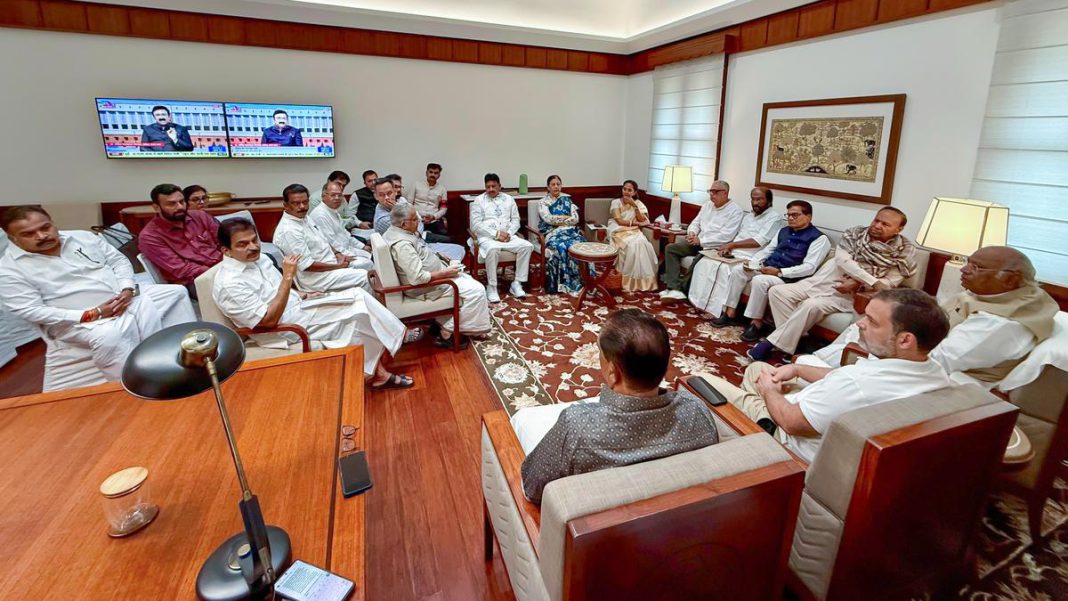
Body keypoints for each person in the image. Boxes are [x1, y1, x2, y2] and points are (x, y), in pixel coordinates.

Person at [703, 288, 952, 463]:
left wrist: (770, 391)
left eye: (872, 321)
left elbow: (791, 422)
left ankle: (753, 432)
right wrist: (797, 369)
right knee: (758, 369)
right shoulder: (933, 371)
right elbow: (840, 375)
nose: (860, 324)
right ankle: (744, 426)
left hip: (787, 437)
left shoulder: (856, 385)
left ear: (905, 340)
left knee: (701, 381)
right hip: (819, 415)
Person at [518, 309, 720, 503]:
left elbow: (532, 488)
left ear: (613, 372)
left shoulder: (577, 426)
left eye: (600, 353)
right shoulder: (696, 411)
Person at [804, 246, 1059, 390]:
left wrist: (887, 340)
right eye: (968, 262)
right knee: (864, 325)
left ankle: (819, 376)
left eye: (976, 267)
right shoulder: (997, 295)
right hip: (922, 353)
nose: (964, 269)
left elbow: (939, 360)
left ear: (1011, 279)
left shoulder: (1000, 323)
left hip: (943, 382)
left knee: (868, 330)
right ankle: (817, 368)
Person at [0, 205, 196, 383]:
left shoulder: (82, 237)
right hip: (77, 320)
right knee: (109, 335)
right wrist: (91, 314)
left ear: (52, 223)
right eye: (29, 234)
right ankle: (132, 382)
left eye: (45, 227)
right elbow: (31, 310)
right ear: (12, 238)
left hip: (123, 298)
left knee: (175, 293)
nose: (42, 236)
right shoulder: (9, 270)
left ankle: (185, 352)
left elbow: (118, 261)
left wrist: (127, 288)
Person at [212, 218, 412, 389]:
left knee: (358, 295)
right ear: (226, 250)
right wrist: (288, 277)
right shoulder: (229, 284)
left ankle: (382, 361)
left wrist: (303, 294)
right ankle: (387, 354)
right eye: (242, 244)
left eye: (254, 240)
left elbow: (277, 291)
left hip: (297, 307)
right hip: (282, 329)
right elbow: (268, 321)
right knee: (357, 314)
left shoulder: (260, 259)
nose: (253, 247)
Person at [748, 207, 916, 361]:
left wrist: (858, 285)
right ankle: (800, 341)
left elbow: (887, 285)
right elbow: (843, 261)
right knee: (777, 292)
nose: (877, 225)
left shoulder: (905, 251)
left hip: (851, 296)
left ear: (899, 229)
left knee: (810, 305)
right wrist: (864, 280)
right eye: (876, 220)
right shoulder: (855, 234)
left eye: (885, 224)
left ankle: (772, 344)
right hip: (825, 280)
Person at [703, 200, 830, 342]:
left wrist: (780, 272)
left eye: (795, 215)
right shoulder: (783, 231)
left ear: (809, 217)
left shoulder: (819, 239)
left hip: (788, 278)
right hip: (768, 268)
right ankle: (730, 313)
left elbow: (809, 267)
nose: (790, 218)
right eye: (788, 215)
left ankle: (756, 323)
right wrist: (752, 263)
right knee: (739, 270)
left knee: (760, 281)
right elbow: (768, 250)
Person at [383, 203, 491, 348]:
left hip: (435, 278)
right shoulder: (402, 245)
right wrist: (445, 273)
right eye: (415, 219)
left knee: (468, 279)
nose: (419, 221)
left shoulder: (396, 232)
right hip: (426, 287)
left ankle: (444, 321)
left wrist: (439, 256)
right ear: (403, 224)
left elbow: (420, 253)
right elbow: (418, 278)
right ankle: (447, 331)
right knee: (477, 291)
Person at [687, 186, 785, 317]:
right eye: (753, 199)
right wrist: (727, 248)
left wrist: (731, 245)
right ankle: (699, 303)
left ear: (769, 201)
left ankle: (719, 311)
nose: (755, 203)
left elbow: (759, 241)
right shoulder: (749, 216)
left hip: (752, 256)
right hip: (734, 252)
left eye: (759, 199)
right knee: (705, 262)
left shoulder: (775, 218)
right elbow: (736, 235)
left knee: (723, 269)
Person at [272, 183, 371, 294]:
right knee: (366, 277)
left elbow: (323, 240)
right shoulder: (289, 230)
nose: (302, 207)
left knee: (367, 265)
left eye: (305, 202)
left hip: (330, 262)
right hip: (317, 278)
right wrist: (337, 266)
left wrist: (338, 254)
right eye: (296, 203)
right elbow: (307, 266)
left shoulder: (305, 218)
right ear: (285, 205)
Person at [660, 180, 744, 299]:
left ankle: (681, 290)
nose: (712, 194)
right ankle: (674, 288)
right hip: (698, 242)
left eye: (715, 192)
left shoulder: (735, 211)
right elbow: (696, 223)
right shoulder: (707, 205)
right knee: (671, 248)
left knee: (699, 260)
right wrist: (692, 233)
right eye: (710, 191)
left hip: (715, 247)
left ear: (725, 193)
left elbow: (726, 236)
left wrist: (701, 241)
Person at [138, 183, 223, 289]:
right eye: (171, 204)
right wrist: (221, 271)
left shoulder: (200, 216)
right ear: (157, 208)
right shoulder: (150, 236)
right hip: (194, 281)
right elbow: (183, 270)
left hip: (224, 268)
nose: (180, 207)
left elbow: (226, 242)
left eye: (182, 202)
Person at [469, 173, 534, 303]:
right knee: (492, 249)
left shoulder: (509, 199)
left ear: (499, 186)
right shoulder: (479, 201)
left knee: (527, 246)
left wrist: (509, 233)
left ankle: (517, 283)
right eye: (488, 187)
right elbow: (476, 225)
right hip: (488, 238)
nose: (491, 189)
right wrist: (496, 234)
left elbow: (515, 220)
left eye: (493, 186)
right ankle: (492, 286)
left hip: (508, 237)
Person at [372, 177, 465, 261]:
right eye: (381, 195)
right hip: (411, 253)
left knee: (459, 249)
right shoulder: (382, 219)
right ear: (376, 196)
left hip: (421, 241)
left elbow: (419, 221)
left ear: (395, 192)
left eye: (389, 193)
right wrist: (397, 210)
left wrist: (417, 231)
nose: (387, 198)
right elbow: (409, 235)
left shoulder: (401, 201)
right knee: (454, 253)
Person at [537, 175, 585, 295]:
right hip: (552, 232)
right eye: (553, 184)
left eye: (558, 184)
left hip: (569, 231)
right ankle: (562, 283)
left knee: (580, 243)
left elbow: (576, 219)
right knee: (561, 246)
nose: (556, 187)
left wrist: (561, 220)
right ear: (548, 187)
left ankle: (583, 280)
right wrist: (565, 218)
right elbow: (548, 219)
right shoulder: (543, 202)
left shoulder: (567, 200)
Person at [607, 180, 658, 291]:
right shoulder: (616, 202)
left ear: (634, 192)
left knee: (643, 244)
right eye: (624, 189)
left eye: (629, 190)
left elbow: (642, 220)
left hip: (634, 231)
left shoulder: (638, 203)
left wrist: (634, 205)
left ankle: (644, 282)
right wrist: (635, 223)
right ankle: (626, 281)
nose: (626, 192)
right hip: (618, 229)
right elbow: (619, 221)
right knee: (631, 246)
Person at [308, 180, 374, 266]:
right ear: (323, 196)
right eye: (333, 195)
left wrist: (362, 246)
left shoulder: (333, 211)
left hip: (347, 249)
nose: (337, 198)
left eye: (340, 195)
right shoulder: (320, 215)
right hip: (336, 256)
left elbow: (345, 234)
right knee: (368, 262)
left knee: (373, 256)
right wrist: (350, 255)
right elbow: (331, 243)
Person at [410, 163, 449, 237]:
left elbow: (444, 209)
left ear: (439, 175)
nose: (433, 175)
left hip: (434, 220)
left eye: (436, 173)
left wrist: (434, 217)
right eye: (431, 172)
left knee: (445, 236)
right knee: (414, 237)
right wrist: (415, 217)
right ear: (426, 173)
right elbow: (409, 204)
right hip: (417, 219)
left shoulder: (442, 189)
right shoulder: (416, 185)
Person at [350, 170, 379, 240]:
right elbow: (350, 214)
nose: (373, 183)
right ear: (365, 183)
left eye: (375, 180)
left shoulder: (383, 192)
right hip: (363, 229)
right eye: (370, 181)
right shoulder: (357, 194)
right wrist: (359, 223)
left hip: (380, 227)